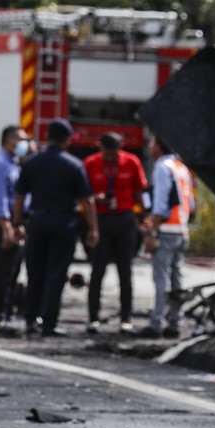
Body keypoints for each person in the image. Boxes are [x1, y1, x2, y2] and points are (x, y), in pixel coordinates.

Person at [12, 119, 97, 337]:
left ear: (48, 137)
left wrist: (17, 223)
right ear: (67, 140)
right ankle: (49, 323)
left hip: (37, 222)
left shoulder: (32, 162)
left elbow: (20, 196)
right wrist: (93, 229)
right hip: (63, 223)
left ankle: (31, 320)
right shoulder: (74, 165)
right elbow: (87, 201)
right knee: (56, 274)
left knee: (35, 272)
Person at [82, 132, 147, 334]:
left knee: (125, 270)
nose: (111, 157)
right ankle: (93, 317)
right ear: (100, 148)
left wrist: (143, 218)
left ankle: (126, 318)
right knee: (98, 270)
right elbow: (83, 195)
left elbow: (139, 192)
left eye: (115, 152)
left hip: (124, 218)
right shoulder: (90, 164)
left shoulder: (131, 162)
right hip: (101, 218)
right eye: (107, 152)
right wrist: (96, 199)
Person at [136, 135, 195, 338]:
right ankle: (174, 324)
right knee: (176, 279)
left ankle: (156, 324)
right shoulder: (181, 167)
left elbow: (161, 205)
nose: (150, 146)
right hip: (181, 230)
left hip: (166, 231)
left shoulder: (163, 168)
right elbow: (191, 204)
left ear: (159, 147)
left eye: (152, 143)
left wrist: (152, 232)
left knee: (161, 280)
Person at [0, 125, 29, 333]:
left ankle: (4, 315)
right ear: (9, 140)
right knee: (1, 272)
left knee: (11, 271)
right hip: (0, 222)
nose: (25, 144)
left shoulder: (13, 163)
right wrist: (7, 228)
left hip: (11, 221)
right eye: (22, 139)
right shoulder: (0, 164)